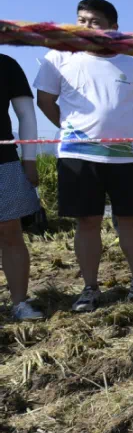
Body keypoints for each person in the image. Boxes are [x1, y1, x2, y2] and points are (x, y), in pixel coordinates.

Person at [33, 0, 133, 312]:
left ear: (113, 28)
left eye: (94, 21)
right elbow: (45, 101)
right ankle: (89, 289)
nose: (86, 26)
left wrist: (119, 134)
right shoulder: (58, 57)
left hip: (125, 156)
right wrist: (74, 131)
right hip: (77, 156)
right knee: (87, 221)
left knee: (130, 220)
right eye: (81, 20)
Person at [0, 55, 44, 320]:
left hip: (3, 161)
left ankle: (19, 303)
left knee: (10, 232)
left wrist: (30, 160)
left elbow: (26, 114)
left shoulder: (6, 64)